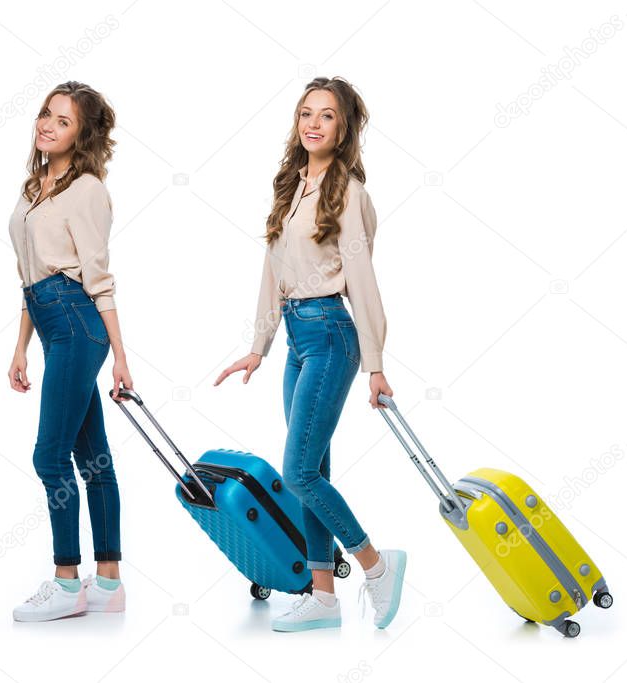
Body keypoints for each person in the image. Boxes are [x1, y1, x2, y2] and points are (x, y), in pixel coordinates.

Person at [216, 77, 407, 633]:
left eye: (326, 116)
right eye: (305, 113)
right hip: (299, 340)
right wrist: (259, 346)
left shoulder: (347, 193)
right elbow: (271, 272)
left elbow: (363, 281)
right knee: (314, 467)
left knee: (297, 471)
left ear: (344, 128)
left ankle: (375, 565)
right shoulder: (292, 186)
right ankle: (323, 596)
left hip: (330, 334)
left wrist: (375, 363)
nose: (313, 124)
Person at [7, 81, 133, 621]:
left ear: (82, 135)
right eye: (45, 115)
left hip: (79, 323)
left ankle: (65, 583)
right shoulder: (34, 186)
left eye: (63, 121)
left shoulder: (86, 189)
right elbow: (28, 278)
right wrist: (20, 348)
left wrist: (121, 356)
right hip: (49, 317)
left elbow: (99, 279)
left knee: (50, 456)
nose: (47, 125)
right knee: (92, 459)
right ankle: (108, 585)